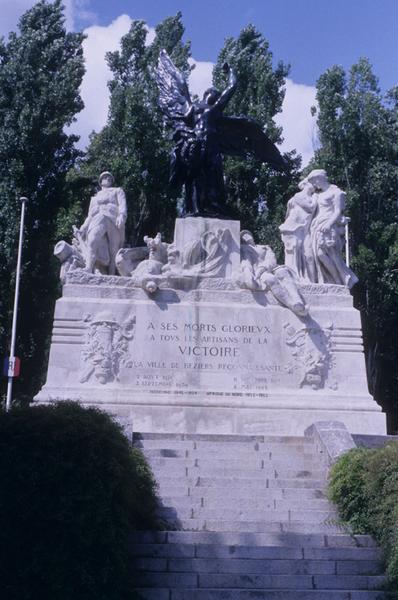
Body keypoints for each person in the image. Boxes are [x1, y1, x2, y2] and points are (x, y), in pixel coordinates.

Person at [307, 169, 358, 288]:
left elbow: (337, 211)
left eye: (314, 181)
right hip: (316, 228)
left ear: (320, 178)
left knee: (333, 256)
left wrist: (329, 224)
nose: (314, 185)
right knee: (319, 255)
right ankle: (337, 279)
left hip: (329, 227)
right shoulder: (317, 195)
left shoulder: (337, 193)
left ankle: (342, 280)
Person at [77, 172, 127, 275]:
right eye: (105, 177)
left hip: (113, 219)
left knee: (114, 249)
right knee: (92, 240)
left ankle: (112, 274)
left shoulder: (117, 191)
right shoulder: (94, 198)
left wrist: (121, 216)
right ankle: (89, 267)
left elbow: (122, 206)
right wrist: (83, 228)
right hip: (99, 218)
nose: (107, 178)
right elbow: (89, 216)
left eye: (109, 177)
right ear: (100, 182)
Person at [279, 177, 317, 282]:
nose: (314, 185)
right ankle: (295, 278)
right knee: (294, 253)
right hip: (293, 228)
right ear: (305, 184)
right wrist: (315, 199)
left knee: (309, 255)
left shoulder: (313, 197)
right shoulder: (298, 196)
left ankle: (312, 281)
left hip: (306, 229)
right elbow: (310, 208)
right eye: (311, 183)